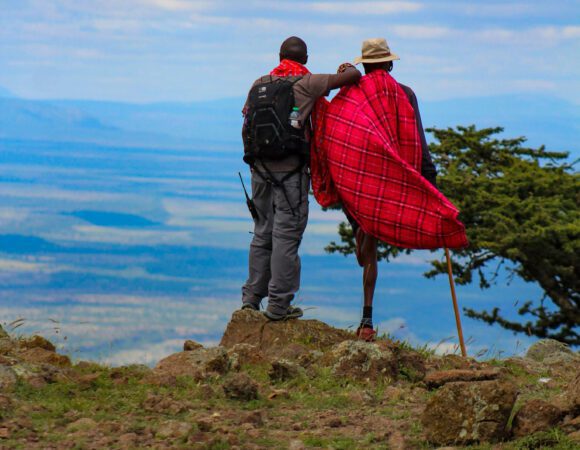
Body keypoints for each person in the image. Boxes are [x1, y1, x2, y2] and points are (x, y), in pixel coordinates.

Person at [241, 36, 361, 321]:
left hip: (258, 169)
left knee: (262, 233)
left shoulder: (260, 83)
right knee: (286, 235)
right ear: (305, 59)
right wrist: (345, 68)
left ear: (279, 55)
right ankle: (279, 306)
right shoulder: (306, 83)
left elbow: (247, 121)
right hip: (290, 173)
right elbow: (352, 77)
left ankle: (250, 299)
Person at [345, 38, 438, 341]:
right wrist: (429, 181)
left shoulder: (354, 91)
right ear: (390, 63)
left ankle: (366, 319)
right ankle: (367, 321)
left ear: (366, 65)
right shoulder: (405, 93)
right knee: (372, 250)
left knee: (367, 250)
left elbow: (340, 129)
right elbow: (418, 138)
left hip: (361, 179)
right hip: (394, 178)